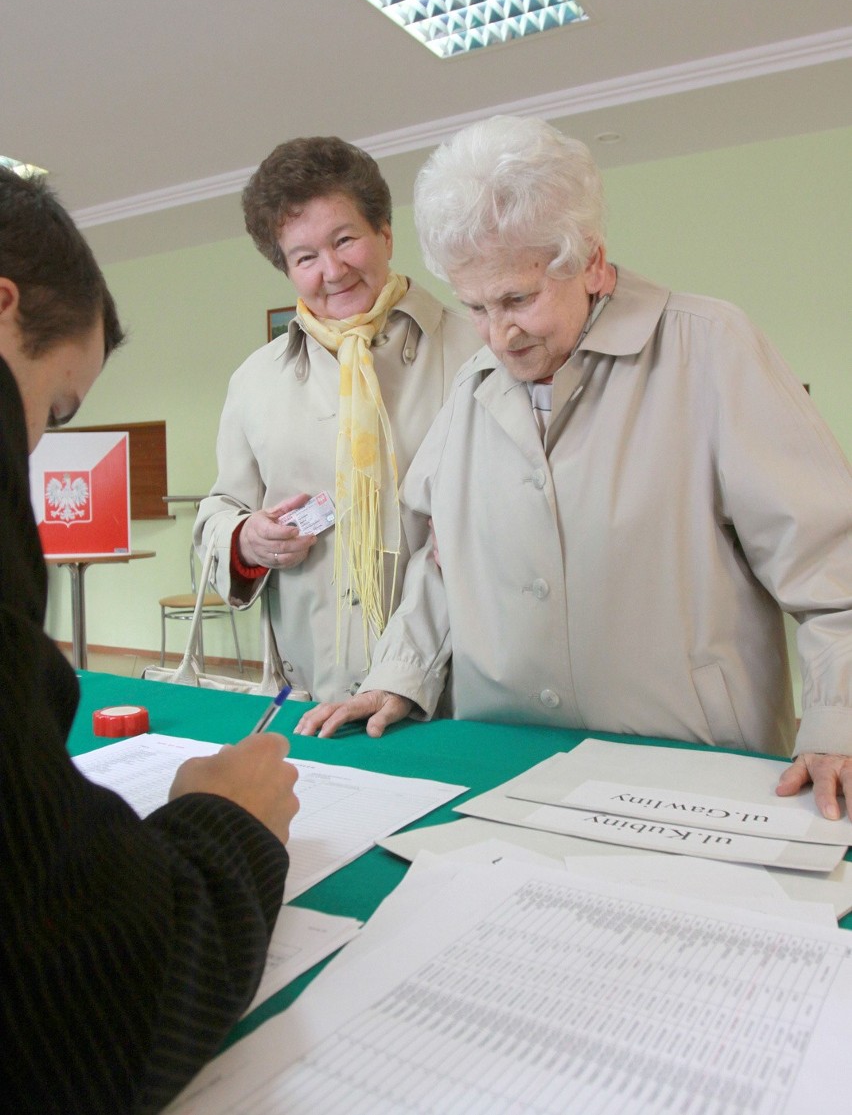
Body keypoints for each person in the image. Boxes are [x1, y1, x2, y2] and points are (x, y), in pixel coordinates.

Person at [297, 115, 852, 822]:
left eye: (518, 299)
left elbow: (832, 564)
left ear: (590, 261)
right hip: (508, 762)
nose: (500, 333)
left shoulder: (711, 348)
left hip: (694, 771)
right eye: (475, 306)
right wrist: (400, 674)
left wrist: (840, 720)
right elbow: (441, 561)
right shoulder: (472, 388)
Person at [0, 165, 299, 1114]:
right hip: (300, 647)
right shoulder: (257, 377)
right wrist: (231, 829)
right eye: (51, 410)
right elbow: (88, 1000)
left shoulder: (454, 362)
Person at [194, 136, 480, 701]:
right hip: (311, 696)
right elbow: (218, 511)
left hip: (456, 695)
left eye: (345, 239)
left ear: (386, 233)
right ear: (286, 268)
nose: (332, 269)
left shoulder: (477, 349)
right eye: (305, 257)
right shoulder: (255, 379)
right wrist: (247, 539)